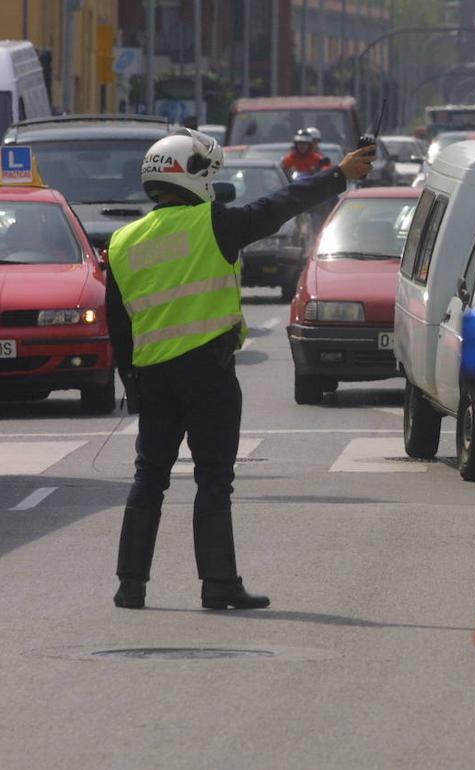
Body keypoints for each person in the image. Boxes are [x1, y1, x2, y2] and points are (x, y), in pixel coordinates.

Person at [106, 127, 376, 610]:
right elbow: (279, 205)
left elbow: (119, 328)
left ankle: (131, 585)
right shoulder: (212, 223)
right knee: (213, 478)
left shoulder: (123, 242)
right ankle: (219, 584)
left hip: (154, 378)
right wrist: (339, 175)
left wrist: (132, 383)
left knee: (149, 477)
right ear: (194, 178)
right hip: (207, 373)